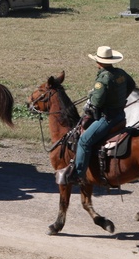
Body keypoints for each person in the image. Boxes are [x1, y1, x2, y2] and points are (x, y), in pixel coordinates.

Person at [57, 46, 134, 185]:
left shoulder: (103, 79)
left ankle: (78, 174)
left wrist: (91, 94)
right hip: (120, 115)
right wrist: (120, 99)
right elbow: (132, 84)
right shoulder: (121, 73)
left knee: (84, 140)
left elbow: (97, 102)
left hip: (107, 118)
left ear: (98, 62)